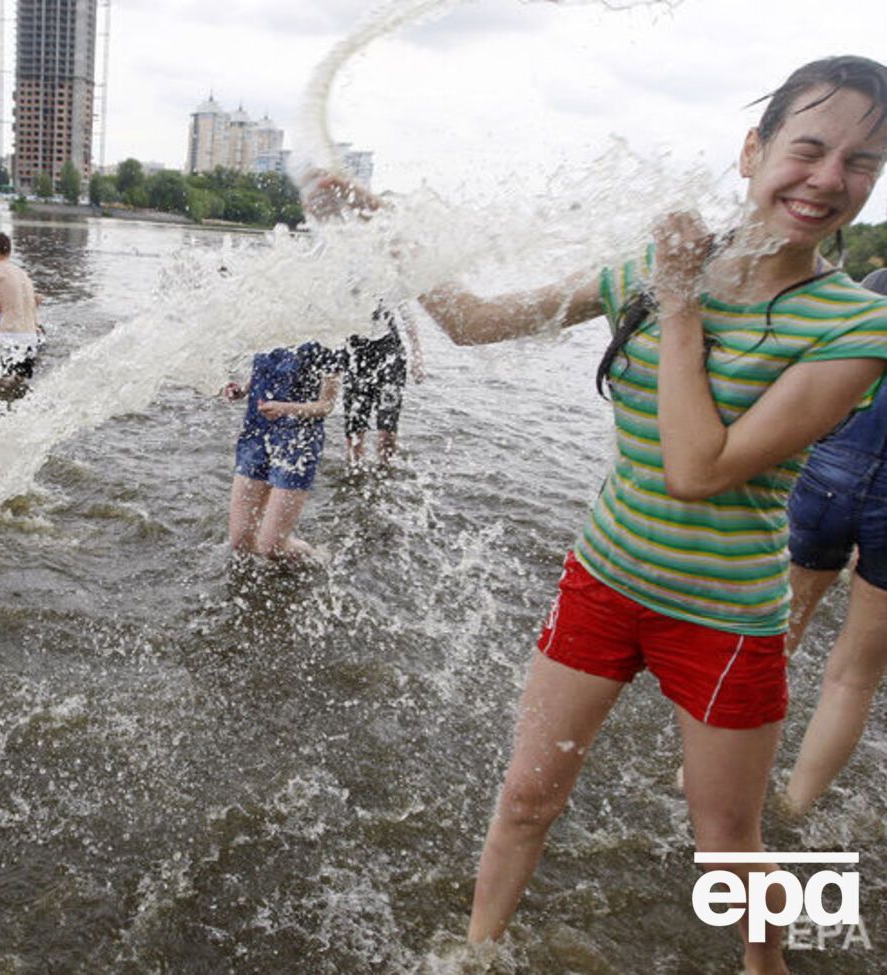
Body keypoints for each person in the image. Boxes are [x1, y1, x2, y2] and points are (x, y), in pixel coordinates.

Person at [306, 55, 887, 973]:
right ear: (753, 150)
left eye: (861, 164)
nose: (828, 180)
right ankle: (476, 951)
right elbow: (476, 321)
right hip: (603, 582)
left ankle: (767, 964)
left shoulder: (854, 328)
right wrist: (386, 228)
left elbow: (701, 470)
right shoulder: (647, 271)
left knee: (726, 843)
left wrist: (683, 299)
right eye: (808, 149)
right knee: (527, 799)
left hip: (726, 619)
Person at [781, 266, 887, 815]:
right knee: (854, 677)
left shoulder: (878, 285)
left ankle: (697, 777)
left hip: (827, 475)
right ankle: (795, 808)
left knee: (777, 636)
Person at [223, 341, 341, 560]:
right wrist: (242, 390)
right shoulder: (274, 321)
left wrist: (286, 409)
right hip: (255, 434)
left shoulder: (329, 336)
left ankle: (316, 557)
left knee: (272, 548)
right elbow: (264, 371)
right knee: (240, 541)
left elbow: (326, 405)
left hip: (297, 442)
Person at [342, 302, 424, 468]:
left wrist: (417, 354)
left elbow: (407, 315)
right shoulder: (344, 280)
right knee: (355, 430)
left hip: (390, 357)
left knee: (387, 430)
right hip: (355, 357)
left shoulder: (387, 278)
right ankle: (354, 473)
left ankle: (385, 470)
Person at [0, 231, 42, 398]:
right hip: (31, 339)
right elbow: (32, 304)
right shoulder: (23, 273)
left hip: (10, 336)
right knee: (15, 387)